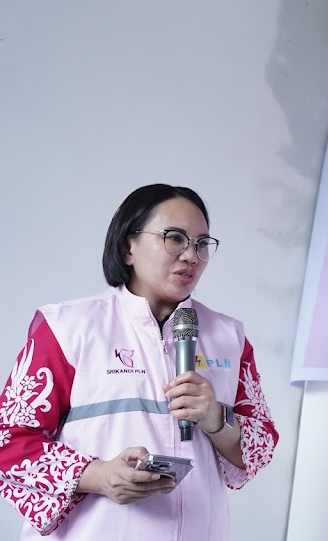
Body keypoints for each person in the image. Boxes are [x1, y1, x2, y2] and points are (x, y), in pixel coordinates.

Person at [0, 184, 278, 538]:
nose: (191, 256)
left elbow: (259, 448)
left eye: (201, 244)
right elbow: (9, 440)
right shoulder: (67, 328)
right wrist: (98, 476)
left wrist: (216, 419)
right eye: (175, 238)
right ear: (128, 247)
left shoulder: (229, 337)